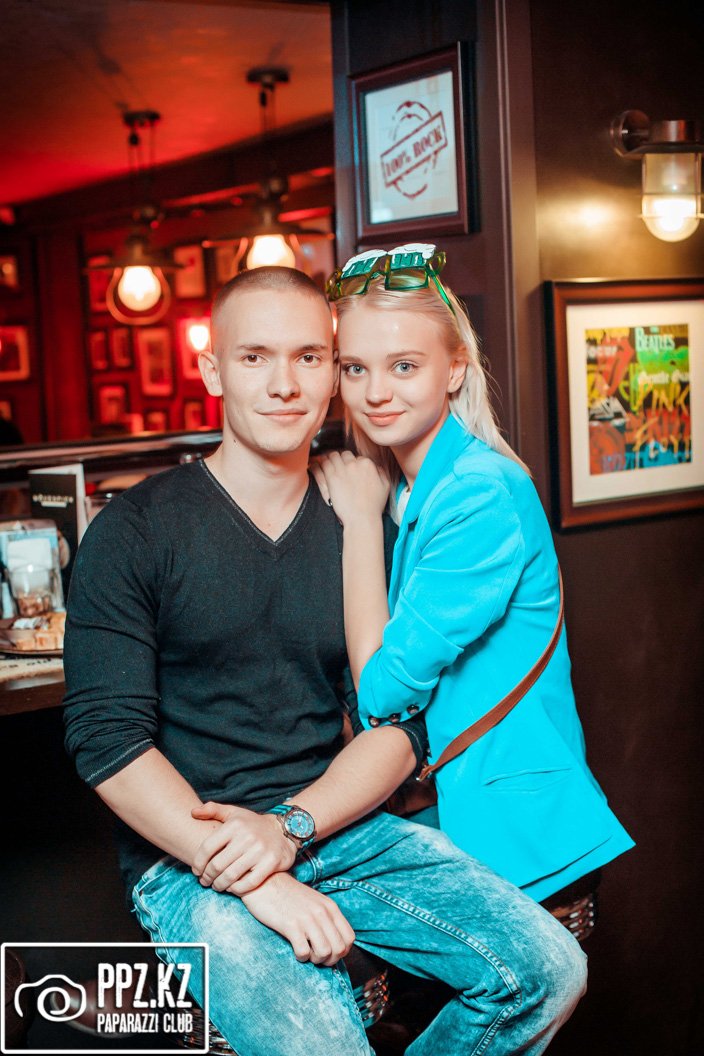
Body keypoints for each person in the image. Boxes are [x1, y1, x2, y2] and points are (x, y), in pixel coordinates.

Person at [63, 265, 586, 1056]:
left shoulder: (361, 526)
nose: (285, 384)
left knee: (547, 971)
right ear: (212, 371)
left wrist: (291, 828)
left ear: (331, 373)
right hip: (189, 858)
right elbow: (107, 741)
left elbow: (398, 727)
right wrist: (252, 871)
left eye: (309, 357)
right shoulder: (134, 531)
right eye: (255, 357)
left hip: (333, 826)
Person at [314, 243, 635, 904]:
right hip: (451, 826)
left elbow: (383, 693)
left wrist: (358, 523)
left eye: (404, 365)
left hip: (516, 838)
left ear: (456, 367)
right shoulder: (411, 486)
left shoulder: (478, 493)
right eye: (355, 368)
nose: (375, 393)